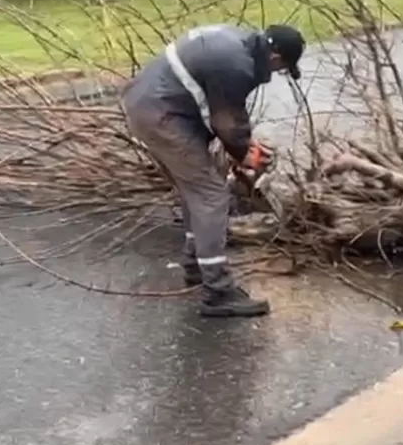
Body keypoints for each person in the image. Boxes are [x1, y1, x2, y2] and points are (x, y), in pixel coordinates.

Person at [122, 23, 306, 318]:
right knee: (211, 195)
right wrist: (246, 154)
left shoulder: (236, 43)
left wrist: (242, 145)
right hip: (161, 115)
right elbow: (227, 122)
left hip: (153, 104)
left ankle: (196, 265)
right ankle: (218, 292)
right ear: (274, 57)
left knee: (197, 188)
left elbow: (219, 107)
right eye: (281, 68)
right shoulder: (237, 65)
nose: (273, 76)